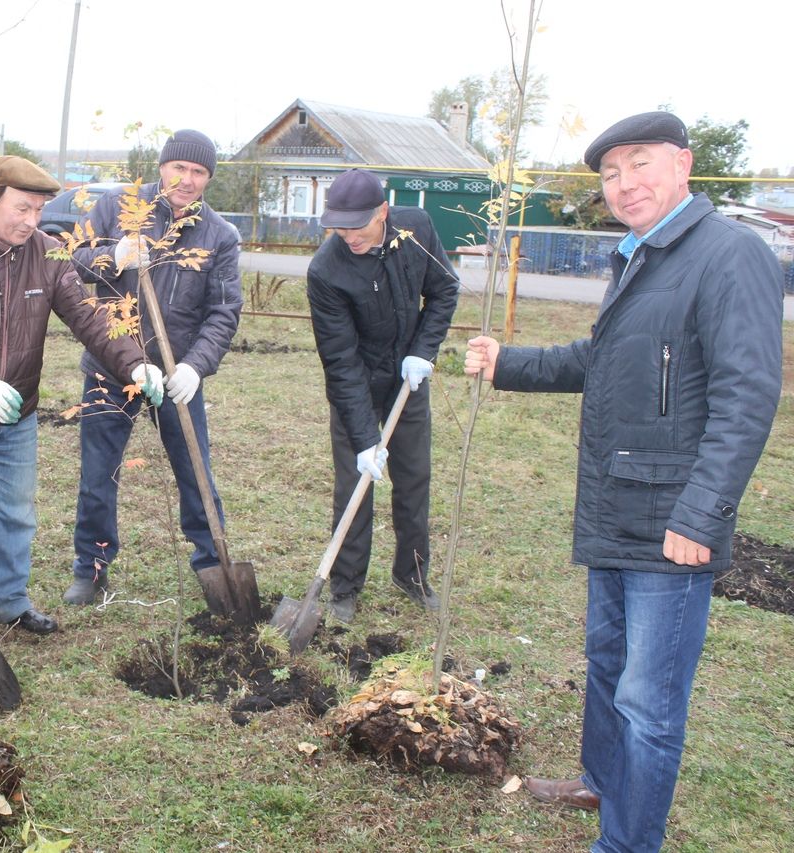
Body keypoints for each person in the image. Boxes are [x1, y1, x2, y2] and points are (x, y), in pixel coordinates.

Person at [464, 111, 782, 852]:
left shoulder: (729, 255)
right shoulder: (641, 256)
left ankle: (627, 841)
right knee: (607, 666)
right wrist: (508, 362)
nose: (623, 183)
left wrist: (702, 515)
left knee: (650, 702)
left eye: (639, 164)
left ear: (683, 163)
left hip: (672, 524)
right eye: (609, 173)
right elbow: (599, 360)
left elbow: (747, 395)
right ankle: (601, 785)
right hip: (617, 505)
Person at [0, 155, 162, 637]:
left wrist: (135, 363)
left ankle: (9, 602)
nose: (31, 221)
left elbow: (89, 316)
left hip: (17, 414)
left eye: (39, 210)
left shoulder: (47, 253)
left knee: (16, 513)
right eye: (21, 208)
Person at [63, 129, 243, 606]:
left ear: (208, 178)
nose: (187, 180)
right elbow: (70, 264)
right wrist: (113, 255)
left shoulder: (219, 236)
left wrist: (195, 368)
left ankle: (212, 561)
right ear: (163, 166)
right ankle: (92, 566)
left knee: (194, 468)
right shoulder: (119, 208)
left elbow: (224, 312)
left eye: (199, 172)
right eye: (179, 168)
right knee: (99, 472)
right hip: (111, 364)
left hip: (176, 373)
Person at [305, 168, 459, 621]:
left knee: (413, 479)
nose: (347, 235)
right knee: (355, 482)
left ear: (384, 213)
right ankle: (345, 587)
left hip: (408, 381)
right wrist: (363, 435)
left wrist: (424, 352)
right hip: (357, 384)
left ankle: (411, 575)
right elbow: (339, 359)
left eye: (357, 225)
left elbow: (444, 289)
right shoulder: (326, 270)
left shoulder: (417, 230)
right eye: (338, 225)